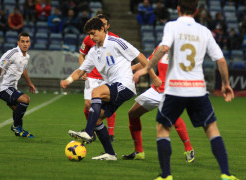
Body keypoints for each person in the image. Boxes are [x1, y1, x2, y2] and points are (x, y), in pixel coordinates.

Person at [133, 0, 239, 179]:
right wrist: (226, 84)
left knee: (163, 128)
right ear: (196, 11)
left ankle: (166, 175)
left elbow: (163, 48)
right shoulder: (204, 31)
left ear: (178, 9)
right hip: (198, 89)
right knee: (212, 129)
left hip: (175, 89)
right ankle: (226, 174)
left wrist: (145, 68)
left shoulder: (172, 26)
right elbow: (220, 60)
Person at [61, 17, 161, 160]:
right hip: (114, 86)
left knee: (96, 92)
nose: (91, 37)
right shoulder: (94, 52)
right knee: (97, 119)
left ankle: (88, 133)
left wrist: (154, 77)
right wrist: (68, 80)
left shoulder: (116, 42)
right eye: (89, 34)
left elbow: (141, 57)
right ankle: (110, 153)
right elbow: (80, 71)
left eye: (93, 33)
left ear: (102, 29)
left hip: (125, 84)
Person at [122, 47, 194, 163]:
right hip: (156, 89)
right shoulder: (161, 48)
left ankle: (189, 149)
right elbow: (148, 63)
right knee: (132, 114)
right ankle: (139, 152)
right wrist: (131, 69)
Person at [79, 14, 118, 142]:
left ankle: (110, 133)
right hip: (92, 76)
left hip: (108, 77)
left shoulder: (115, 39)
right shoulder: (89, 38)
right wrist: (83, 70)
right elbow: (82, 55)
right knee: (87, 104)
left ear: (107, 26)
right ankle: (92, 130)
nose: (101, 26)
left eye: (103, 23)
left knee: (108, 106)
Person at [0, 32, 36, 138]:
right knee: (25, 99)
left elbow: (23, 69)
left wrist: (29, 83)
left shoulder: (26, 56)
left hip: (12, 87)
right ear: (18, 43)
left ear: (30, 43)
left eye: (27, 41)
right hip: (4, 87)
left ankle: (18, 130)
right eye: (22, 41)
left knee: (17, 109)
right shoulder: (12, 53)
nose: (25, 44)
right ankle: (16, 126)